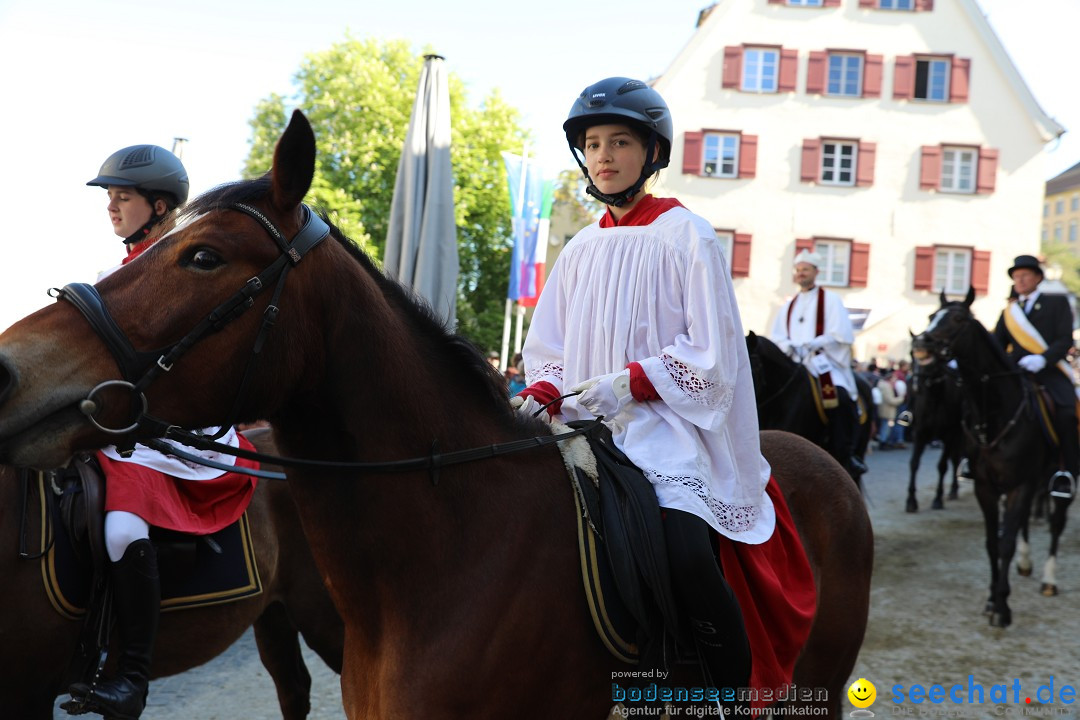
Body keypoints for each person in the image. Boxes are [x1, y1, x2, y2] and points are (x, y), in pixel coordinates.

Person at [513, 77, 814, 691]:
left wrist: (626, 386)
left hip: (669, 428)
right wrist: (544, 387)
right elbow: (549, 345)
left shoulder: (689, 235)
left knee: (683, 552)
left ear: (652, 153)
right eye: (593, 143)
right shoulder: (581, 247)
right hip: (581, 423)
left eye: (620, 141)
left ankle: (720, 693)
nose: (603, 155)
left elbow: (710, 355)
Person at [67, 145, 259, 718]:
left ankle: (132, 677)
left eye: (120, 197)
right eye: (108, 197)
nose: (111, 206)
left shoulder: (186, 274)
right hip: (117, 430)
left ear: (157, 205)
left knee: (123, 529)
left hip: (170, 438)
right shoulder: (114, 276)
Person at [769, 251, 868, 475]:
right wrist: (790, 346)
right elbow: (777, 336)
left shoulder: (831, 299)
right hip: (794, 363)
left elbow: (841, 334)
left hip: (824, 361)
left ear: (816, 272)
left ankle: (847, 453)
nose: (801, 273)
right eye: (798, 269)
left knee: (839, 397)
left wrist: (814, 343)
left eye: (805, 269)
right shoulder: (788, 305)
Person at [992, 254, 1078, 497]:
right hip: (1016, 373)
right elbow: (997, 345)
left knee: (1067, 413)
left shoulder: (1057, 303)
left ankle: (1067, 472)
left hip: (1049, 372)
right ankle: (973, 460)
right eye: (1016, 276)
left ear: (1038, 278)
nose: (1020, 280)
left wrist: (1043, 358)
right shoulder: (1009, 311)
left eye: (1025, 275)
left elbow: (1064, 339)